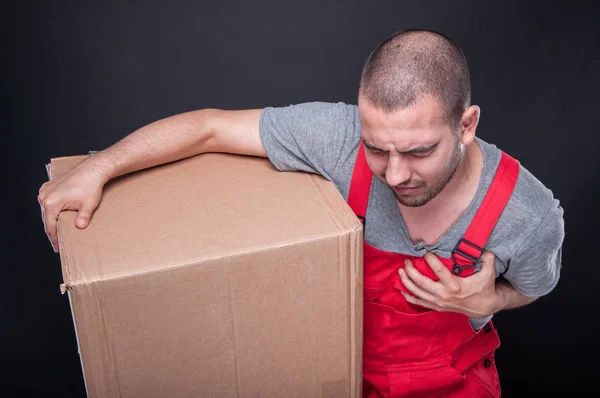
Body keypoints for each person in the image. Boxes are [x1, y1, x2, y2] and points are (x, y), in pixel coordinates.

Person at [38, 29, 564, 397]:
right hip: (338, 372)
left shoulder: (528, 213)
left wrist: (488, 297)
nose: (395, 174)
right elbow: (210, 128)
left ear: (467, 124)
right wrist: (99, 167)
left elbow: (535, 287)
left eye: (419, 152)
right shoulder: (337, 138)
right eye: (377, 148)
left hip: (452, 385)